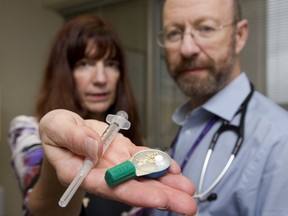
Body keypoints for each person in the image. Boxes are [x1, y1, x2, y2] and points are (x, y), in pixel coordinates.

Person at [150, 0, 288, 215]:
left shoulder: (280, 142)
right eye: (174, 33)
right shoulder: (190, 123)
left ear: (239, 35)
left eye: (205, 28)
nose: (187, 49)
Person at [8, 14, 144, 216]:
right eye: (85, 64)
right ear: (64, 72)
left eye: (111, 64)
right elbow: (42, 209)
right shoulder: (26, 130)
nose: (100, 79)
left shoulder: (127, 144)